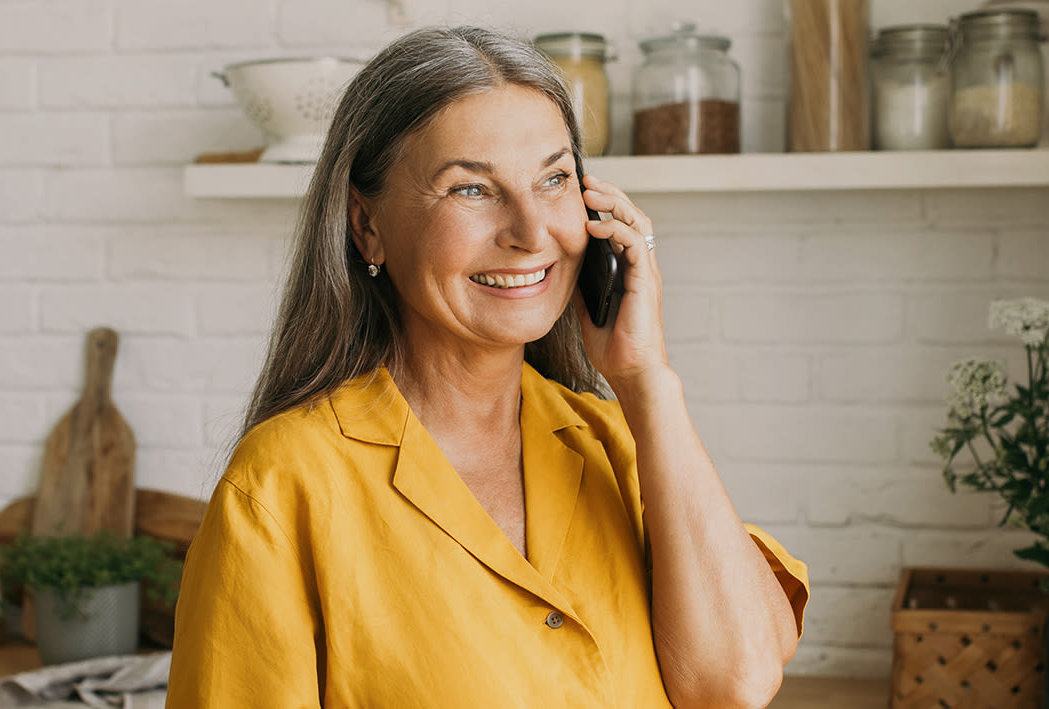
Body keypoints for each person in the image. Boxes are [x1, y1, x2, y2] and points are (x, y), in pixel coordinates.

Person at [168, 26, 810, 708]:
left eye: (554, 179)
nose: (532, 233)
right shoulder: (279, 488)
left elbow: (737, 683)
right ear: (367, 224)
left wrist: (647, 379)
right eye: (472, 190)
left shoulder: (619, 442)